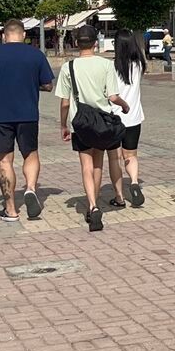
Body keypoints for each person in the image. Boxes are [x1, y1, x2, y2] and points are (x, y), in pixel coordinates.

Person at [0, 19, 54, 222]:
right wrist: (31, 84)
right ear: (23, 35)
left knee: (5, 160)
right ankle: (31, 188)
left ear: (3, 36)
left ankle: (10, 210)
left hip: (1, 116)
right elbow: (48, 85)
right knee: (30, 154)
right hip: (28, 114)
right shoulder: (36, 54)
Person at [56, 26, 130, 232]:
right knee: (98, 163)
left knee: (86, 166)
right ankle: (95, 202)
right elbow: (113, 96)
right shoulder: (106, 65)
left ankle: (92, 205)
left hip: (80, 123)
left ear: (76, 43)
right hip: (102, 122)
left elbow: (64, 102)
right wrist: (125, 106)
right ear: (95, 43)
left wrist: (63, 124)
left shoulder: (68, 67)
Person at [106, 29, 147, 208]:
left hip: (114, 119)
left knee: (114, 159)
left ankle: (119, 197)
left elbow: (109, 94)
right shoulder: (139, 65)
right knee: (131, 154)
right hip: (134, 118)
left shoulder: (111, 67)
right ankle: (135, 182)